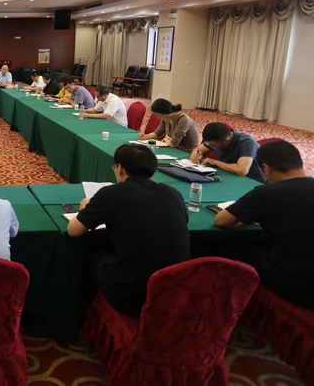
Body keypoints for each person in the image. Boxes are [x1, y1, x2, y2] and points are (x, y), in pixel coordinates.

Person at [67, 144, 190, 317]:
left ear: (120, 168)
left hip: (133, 297)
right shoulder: (173, 193)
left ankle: (78, 315)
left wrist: (86, 208)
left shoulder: (111, 193)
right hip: (176, 291)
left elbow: (73, 231)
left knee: (92, 252)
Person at [213, 140, 314, 309]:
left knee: (226, 246)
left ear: (266, 169)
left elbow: (221, 221)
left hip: (295, 284)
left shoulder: (267, 193)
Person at [190, 122, 266, 182]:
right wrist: (196, 155)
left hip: (254, 180)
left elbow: (241, 170)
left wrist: (214, 162)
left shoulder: (247, 142)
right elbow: (199, 149)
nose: (211, 147)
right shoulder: (218, 138)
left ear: (227, 140)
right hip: (231, 175)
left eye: (213, 146)